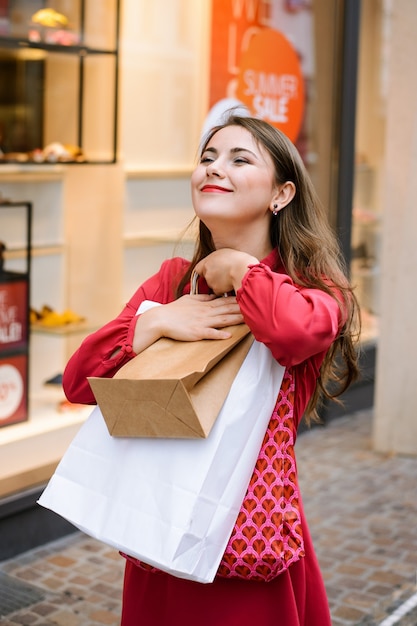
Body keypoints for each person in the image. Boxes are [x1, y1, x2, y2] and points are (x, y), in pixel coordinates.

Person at [62, 114, 360, 626]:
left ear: (281, 194)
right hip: (165, 522)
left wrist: (241, 270)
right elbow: (79, 382)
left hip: (249, 531)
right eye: (207, 158)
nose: (213, 169)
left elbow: (289, 333)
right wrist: (157, 322)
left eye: (239, 159)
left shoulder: (317, 288)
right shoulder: (173, 282)